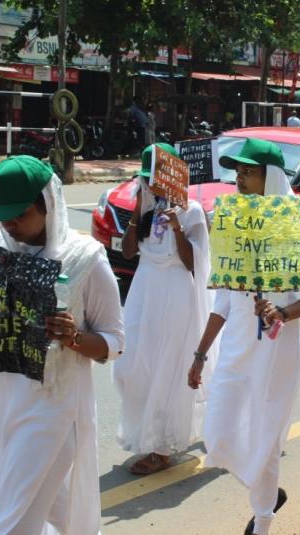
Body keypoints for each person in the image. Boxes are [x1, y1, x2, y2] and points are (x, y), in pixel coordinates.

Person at [0, 156, 125, 534]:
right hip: (4, 402)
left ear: (47, 204)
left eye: (19, 215)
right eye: (3, 216)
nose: (10, 225)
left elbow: (115, 342)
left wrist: (74, 337)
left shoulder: (86, 259)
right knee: (53, 510)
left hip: (52, 412)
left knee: (8, 522)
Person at [188, 138, 300, 535]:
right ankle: (268, 491)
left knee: (265, 435)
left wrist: (282, 311)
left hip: (277, 351)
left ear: (273, 177)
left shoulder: (299, 229)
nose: (240, 179)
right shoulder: (232, 226)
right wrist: (199, 355)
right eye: (238, 172)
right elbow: (224, 302)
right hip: (235, 349)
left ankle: (263, 520)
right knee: (218, 434)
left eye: (248, 171)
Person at [113, 143, 214, 475]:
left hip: (175, 297)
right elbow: (128, 253)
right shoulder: (146, 209)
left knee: (167, 369)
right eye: (146, 180)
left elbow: (194, 263)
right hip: (144, 294)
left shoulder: (192, 210)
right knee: (133, 368)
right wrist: (136, 214)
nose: (151, 185)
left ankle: (162, 447)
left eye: (154, 179)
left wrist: (177, 228)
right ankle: (147, 434)